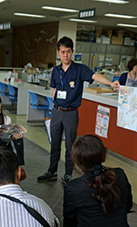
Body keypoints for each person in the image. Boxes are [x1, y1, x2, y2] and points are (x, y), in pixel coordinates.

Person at [37, 36, 120, 184]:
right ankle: (51, 171)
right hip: (56, 111)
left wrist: (110, 83)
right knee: (54, 144)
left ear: (72, 52)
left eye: (68, 52)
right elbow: (55, 89)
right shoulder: (55, 70)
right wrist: (53, 108)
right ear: (58, 53)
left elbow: (94, 76)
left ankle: (68, 174)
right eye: (62, 52)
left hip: (71, 113)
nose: (65, 55)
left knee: (70, 146)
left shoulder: (80, 69)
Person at [54, 135, 137, 227]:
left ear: (77, 163)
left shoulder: (73, 188)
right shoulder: (120, 175)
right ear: (104, 156)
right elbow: (128, 206)